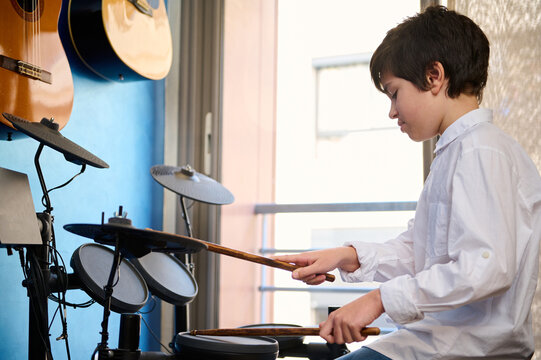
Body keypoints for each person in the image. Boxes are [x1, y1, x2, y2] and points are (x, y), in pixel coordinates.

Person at [273, 5, 541, 360]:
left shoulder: (481, 150)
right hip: (437, 342)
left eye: (394, 92)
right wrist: (347, 256)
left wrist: (379, 299)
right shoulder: (459, 150)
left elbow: (484, 267)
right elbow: (424, 253)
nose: (392, 112)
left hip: (469, 348)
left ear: (434, 76)